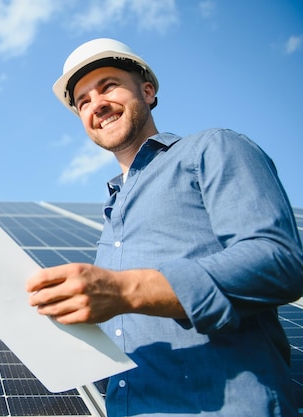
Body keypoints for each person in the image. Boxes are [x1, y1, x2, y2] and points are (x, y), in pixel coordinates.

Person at [26, 38, 303, 416]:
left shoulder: (212, 149)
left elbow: (280, 261)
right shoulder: (111, 219)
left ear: (148, 90)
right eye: (83, 102)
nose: (97, 105)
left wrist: (127, 289)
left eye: (108, 86)